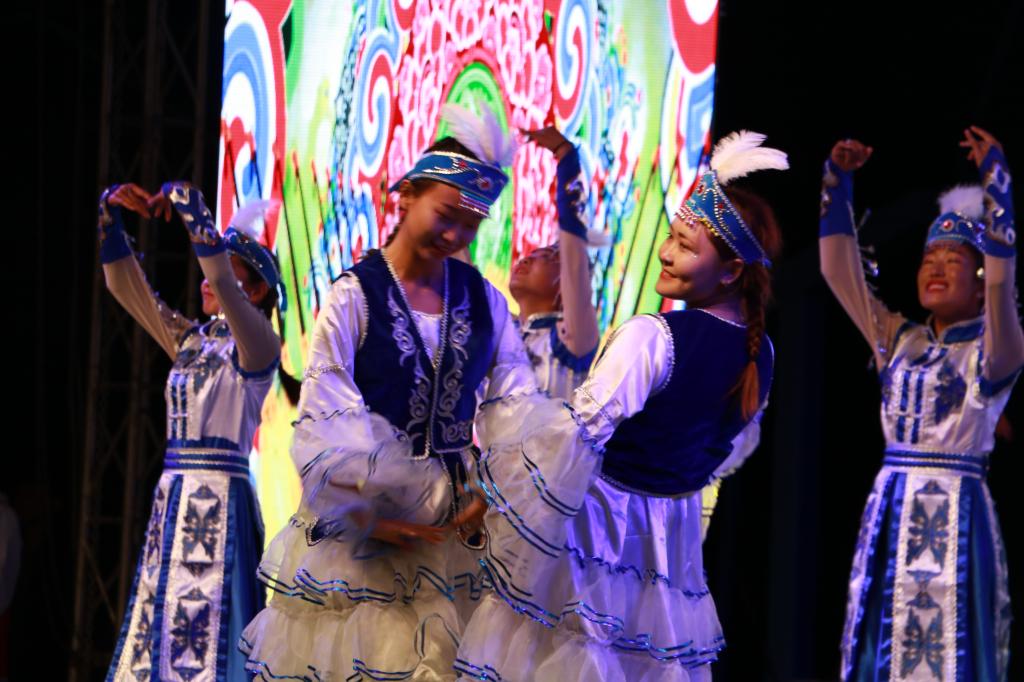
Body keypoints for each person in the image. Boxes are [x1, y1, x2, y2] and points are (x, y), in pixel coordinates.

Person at [456, 131, 786, 681]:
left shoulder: (654, 336)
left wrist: (503, 494)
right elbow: (724, 452)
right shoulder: (762, 355)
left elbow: (577, 435)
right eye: (671, 236)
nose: (666, 252)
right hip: (668, 547)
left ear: (730, 271)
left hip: (598, 536)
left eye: (686, 246)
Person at [239, 104, 539, 680]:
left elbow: (517, 407)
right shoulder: (354, 297)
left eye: (471, 224)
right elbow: (324, 413)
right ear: (406, 195)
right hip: (365, 537)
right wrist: (367, 515)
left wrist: (491, 490)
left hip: (454, 536)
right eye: (446, 215)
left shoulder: (486, 302)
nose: (455, 235)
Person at [820, 128, 1021, 681]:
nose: (936, 266)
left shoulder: (995, 351)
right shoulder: (897, 339)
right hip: (893, 507)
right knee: (880, 644)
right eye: (929, 256)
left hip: (958, 513)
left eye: (954, 259)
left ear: (979, 283)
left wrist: (997, 183)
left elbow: (1002, 286)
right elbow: (838, 271)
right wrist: (837, 182)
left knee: (955, 651)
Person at [100, 181, 281, 681]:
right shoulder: (191, 342)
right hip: (174, 498)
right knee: (157, 628)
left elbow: (219, 279)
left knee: (212, 639)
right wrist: (110, 211)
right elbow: (125, 288)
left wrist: (183, 201)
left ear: (255, 291)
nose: (205, 281)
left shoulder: (259, 346)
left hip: (219, 503)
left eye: (228, 270)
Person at [510, 127, 601, 399]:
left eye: (549, 256)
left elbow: (574, 251)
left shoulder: (573, 339)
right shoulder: (504, 330)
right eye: (535, 252)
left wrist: (566, 157)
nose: (531, 256)